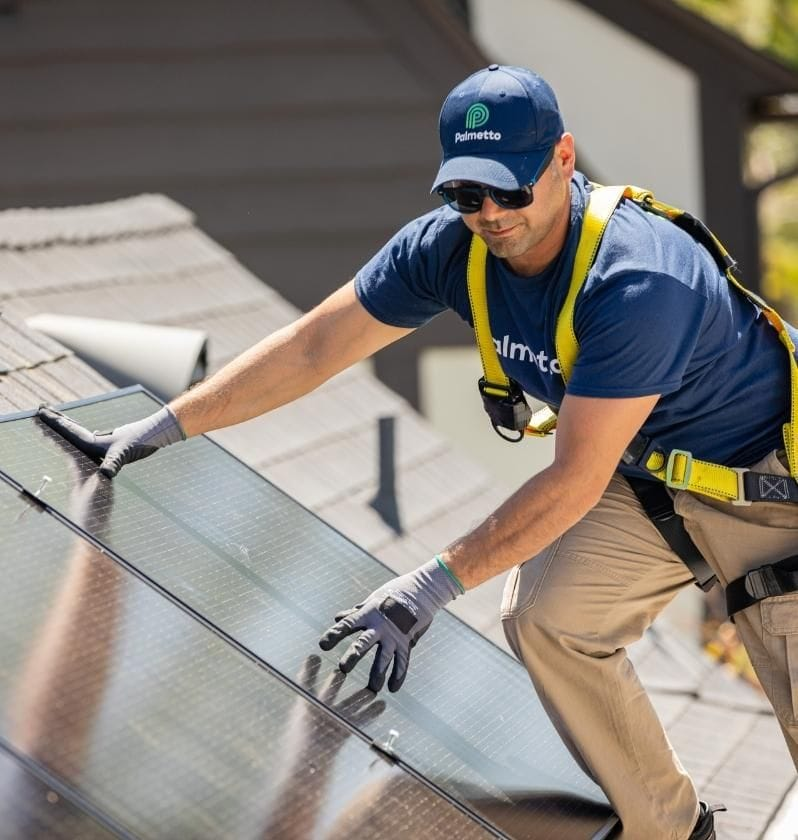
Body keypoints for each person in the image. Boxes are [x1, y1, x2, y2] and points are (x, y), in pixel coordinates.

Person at [38, 65, 798, 840]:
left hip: (773, 490)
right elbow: (315, 347)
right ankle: (671, 832)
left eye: (511, 188)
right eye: (469, 194)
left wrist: (428, 587)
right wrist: (166, 425)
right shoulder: (450, 250)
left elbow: (572, 481)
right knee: (547, 615)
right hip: (650, 478)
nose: (491, 214)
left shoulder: (636, 280)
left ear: (564, 159)